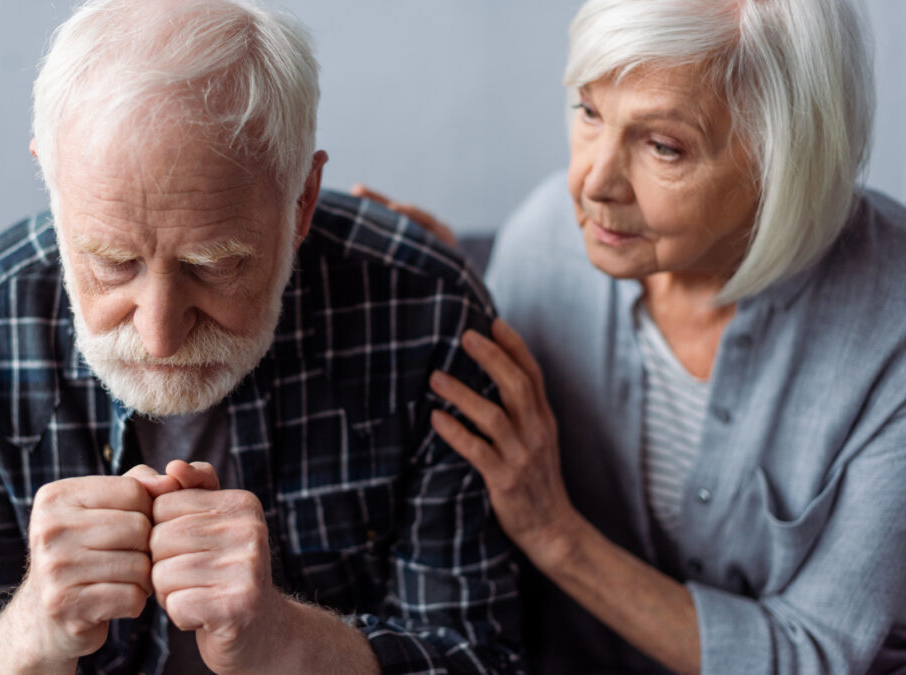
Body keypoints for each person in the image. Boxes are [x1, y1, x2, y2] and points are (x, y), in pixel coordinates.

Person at [0, 1, 524, 673]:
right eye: (112, 262)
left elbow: (481, 658)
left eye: (215, 264)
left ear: (302, 200)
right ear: (52, 186)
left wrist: (287, 641)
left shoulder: (426, 315)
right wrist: (31, 633)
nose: (160, 335)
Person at [360, 0, 906, 672]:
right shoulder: (543, 243)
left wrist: (556, 535)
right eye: (589, 112)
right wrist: (446, 289)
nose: (590, 183)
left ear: (787, 156)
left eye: (662, 146)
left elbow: (818, 654)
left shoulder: (892, 330)